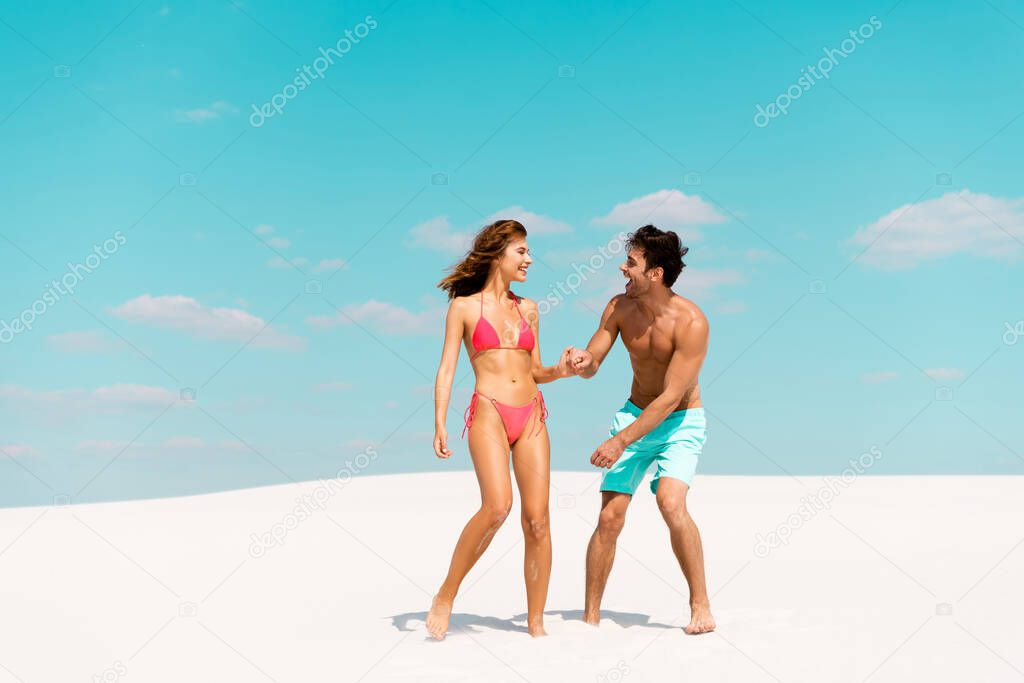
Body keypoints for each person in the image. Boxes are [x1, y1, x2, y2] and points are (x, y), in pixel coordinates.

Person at [428, 219, 574, 639]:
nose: (530, 259)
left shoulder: (529, 308)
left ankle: (535, 623)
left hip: (531, 414)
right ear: (498, 254)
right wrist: (439, 421)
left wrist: (561, 371)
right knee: (497, 506)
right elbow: (447, 368)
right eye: (522, 251)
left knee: (538, 520)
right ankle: (446, 594)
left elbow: (537, 370)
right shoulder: (464, 308)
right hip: (489, 411)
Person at [567, 224, 716, 635]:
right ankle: (591, 617)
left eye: (631, 262)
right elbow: (596, 357)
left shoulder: (692, 322)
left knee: (670, 502)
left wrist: (620, 440)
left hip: (680, 421)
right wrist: (583, 362)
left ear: (655, 274)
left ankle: (700, 604)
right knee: (610, 517)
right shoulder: (619, 306)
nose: (622, 267)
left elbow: (670, 399)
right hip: (634, 414)